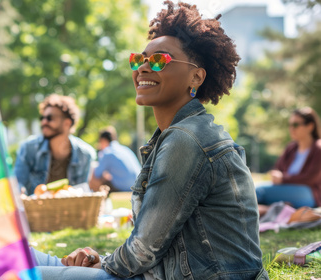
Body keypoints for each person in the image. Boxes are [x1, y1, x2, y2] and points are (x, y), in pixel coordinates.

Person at [30, 1, 267, 279]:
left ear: (196, 76)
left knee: (11, 272)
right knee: (11, 254)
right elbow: (153, 246)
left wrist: (102, 264)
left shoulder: (186, 139)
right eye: (139, 59)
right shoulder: (180, 134)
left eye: (158, 60)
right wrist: (100, 260)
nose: (143, 68)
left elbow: (142, 250)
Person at [14, 94, 96, 195]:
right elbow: (18, 186)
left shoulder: (84, 154)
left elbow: (80, 192)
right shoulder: (28, 148)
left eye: (49, 118)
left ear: (67, 123)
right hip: (35, 208)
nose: (44, 122)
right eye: (42, 118)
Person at [256, 107, 321, 212]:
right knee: (254, 190)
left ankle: (274, 210)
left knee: (259, 191)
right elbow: (278, 168)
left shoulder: (318, 148)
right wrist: (277, 176)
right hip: (287, 189)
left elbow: (310, 179)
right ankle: (274, 209)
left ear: (310, 126)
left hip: (309, 194)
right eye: (290, 125)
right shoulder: (291, 148)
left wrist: (283, 179)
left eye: (295, 125)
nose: (291, 128)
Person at [89, 126, 141, 192]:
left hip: (125, 187)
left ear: (103, 140)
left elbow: (97, 173)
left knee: (93, 173)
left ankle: (93, 198)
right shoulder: (125, 149)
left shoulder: (107, 152)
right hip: (138, 185)